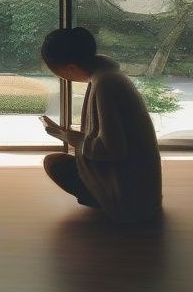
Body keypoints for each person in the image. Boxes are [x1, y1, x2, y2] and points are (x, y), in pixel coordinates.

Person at [38, 27, 162, 223]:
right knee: (59, 162)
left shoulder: (106, 85)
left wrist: (71, 138)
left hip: (130, 198)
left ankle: (109, 202)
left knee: (54, 163)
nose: (60, 77)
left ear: (70, 68)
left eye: (57, 72)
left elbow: (112, 149)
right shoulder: (109, 77)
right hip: (142, 189)